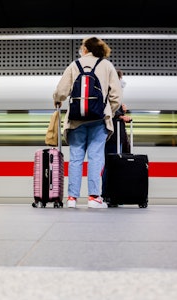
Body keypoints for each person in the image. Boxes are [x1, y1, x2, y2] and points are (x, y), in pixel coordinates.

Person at [53, 37, 122, 209]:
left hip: (76, 119)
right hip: (99, 120)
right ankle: (93, 198)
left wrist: (58, 100)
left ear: (85, 49)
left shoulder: (74, 65)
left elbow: (61, 91)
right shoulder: (107, 66)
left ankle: (71, 199)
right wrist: (108, 112)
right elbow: (116, 97)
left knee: (76, 158)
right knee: (96, 157)